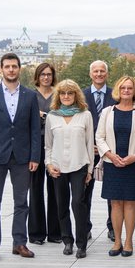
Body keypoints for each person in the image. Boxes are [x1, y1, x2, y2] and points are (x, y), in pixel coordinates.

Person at [0, 53, 40, 262]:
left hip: (22, 157)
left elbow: (34, 129)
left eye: (14, 66)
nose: (11, 70)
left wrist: (35, 156)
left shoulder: (30, 96)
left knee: (21, 201)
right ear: (2, 69)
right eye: (7, 67)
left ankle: (19, 243)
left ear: (19, 69)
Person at [96, 76, 135, 257]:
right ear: (118, 91)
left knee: (129, 203)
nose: (126, 91)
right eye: (123, 88)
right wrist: (110, 155)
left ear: (134, 91)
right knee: (115, 203)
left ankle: (128, 242)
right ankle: (117, 241)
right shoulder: (107, 112)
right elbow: (99, 137)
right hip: (112, 163)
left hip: (133, 164)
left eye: (129, 88)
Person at [45, 80, 94, 259]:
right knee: (62, 205)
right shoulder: (52, 116)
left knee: (78, 204)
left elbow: (90, 143)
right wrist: (49, 164)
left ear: (76, 95)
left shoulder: (85, 115)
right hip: (58, 166)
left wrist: (89, 170)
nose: (66, 96)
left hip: (79, 165)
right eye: (63, 93)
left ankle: (82, 244)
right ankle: (67, 241)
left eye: (70, 93)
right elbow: (48, 145)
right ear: (58, 96)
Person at [83, 60, 117, 242]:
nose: (99, 74)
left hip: (109, 151)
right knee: (84, 193)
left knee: (111, 192)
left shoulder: (116, 95)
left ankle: (112, 227)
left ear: (106, 74)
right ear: (90, 74)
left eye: (102, 71)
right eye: (95, 71)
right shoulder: (81, 95)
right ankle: (85, 227)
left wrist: (105, 147)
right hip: (87, 152)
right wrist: (89, 145)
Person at [28, 62, 61, 245]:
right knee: (35, 189)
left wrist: (46, 116)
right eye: (43, 74)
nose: (46, 77)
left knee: (55, 189)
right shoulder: (30, 95)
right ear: (37, 76)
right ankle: (36, 233)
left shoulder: (59, 94)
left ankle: (55, 233)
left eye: (49, 74)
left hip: (55, 145)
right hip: (35, 144)